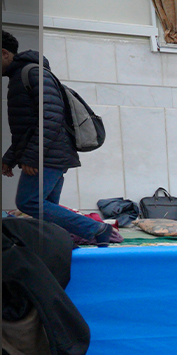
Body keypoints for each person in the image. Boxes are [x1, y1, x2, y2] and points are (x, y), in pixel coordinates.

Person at [0, 32, 117, 246]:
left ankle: (96, 229)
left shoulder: (32, 73)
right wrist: (10, 158)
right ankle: (58, 246)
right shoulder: (21, 76)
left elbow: (50, 119)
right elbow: (26, 128)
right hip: (50, 153)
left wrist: (33, 157)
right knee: (46, 208)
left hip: (48, 154)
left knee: (29, 201)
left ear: (4, 53)